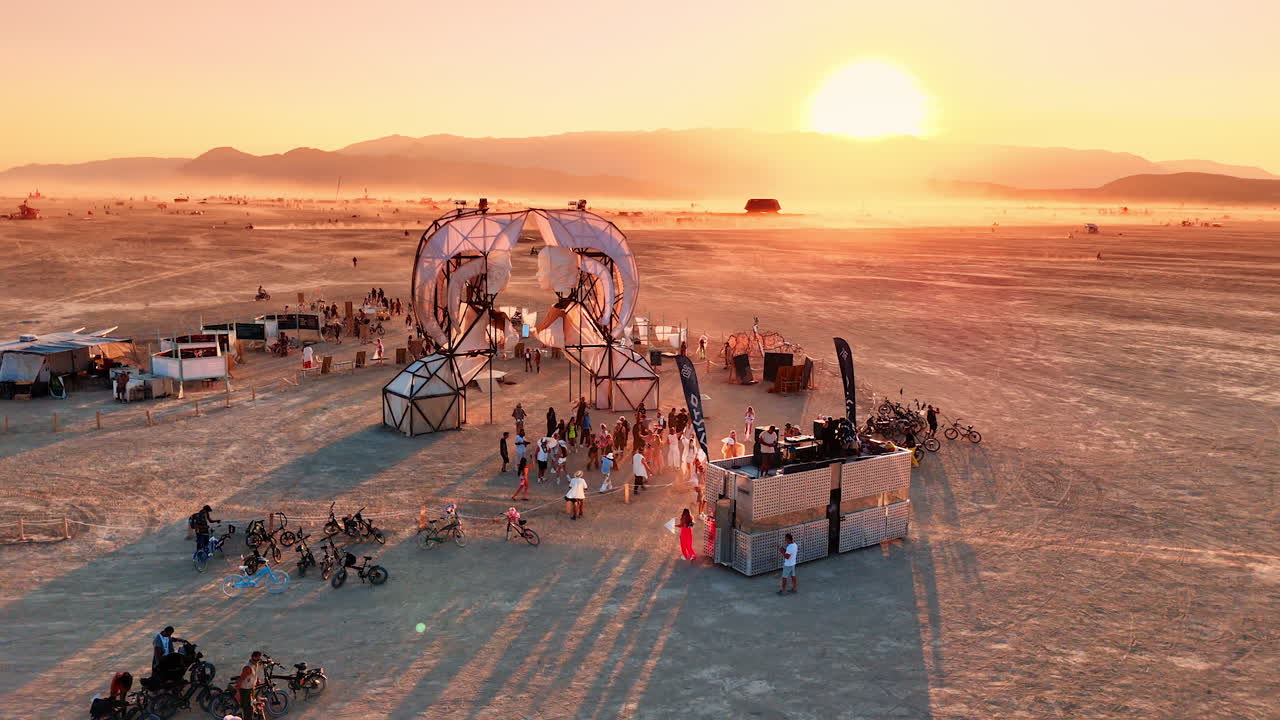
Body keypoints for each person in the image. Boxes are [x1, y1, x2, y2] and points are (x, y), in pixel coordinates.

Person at [237, 651, 266, 720]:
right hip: (245, 690)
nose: (256, 662)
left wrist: (257, 679)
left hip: (251, 688)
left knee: (252, 705)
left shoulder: (256, 663)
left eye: (258, 660)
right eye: (255, 660)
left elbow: (256, 670)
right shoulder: (247, 668)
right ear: (252, 658)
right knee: (248, 709)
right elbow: (240, 680)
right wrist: (237, 692)